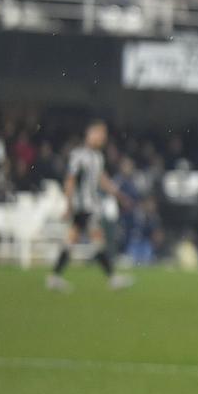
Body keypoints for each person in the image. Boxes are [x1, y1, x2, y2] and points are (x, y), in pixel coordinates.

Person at [47, 121, 131, 292]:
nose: (102, 138)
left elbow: (101, 179)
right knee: (97, 240)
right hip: (82, 206)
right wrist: (69, 204)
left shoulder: (98, 157)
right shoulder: (79, 155)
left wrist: (118, 195)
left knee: (73, 240)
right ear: (90, 134)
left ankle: (54, 277)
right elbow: (70, 180)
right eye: (99, 134)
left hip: (90, 205)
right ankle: (112, 278)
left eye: (104, 135)